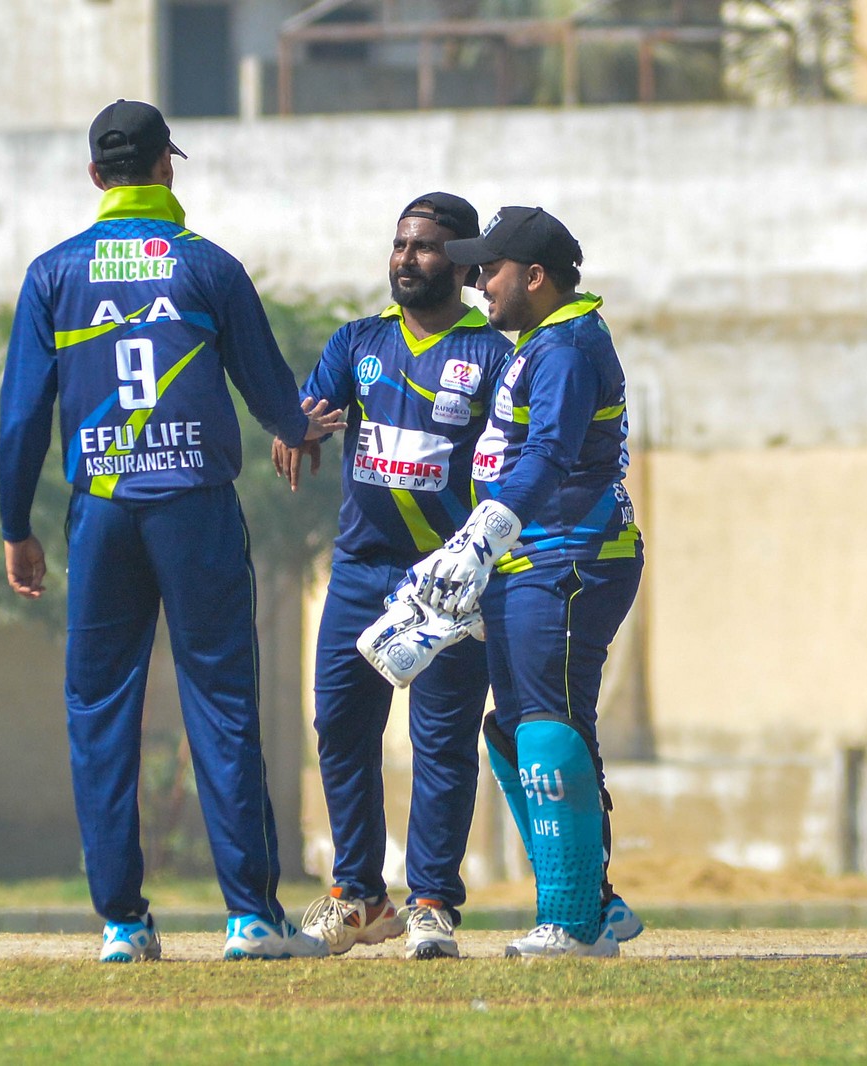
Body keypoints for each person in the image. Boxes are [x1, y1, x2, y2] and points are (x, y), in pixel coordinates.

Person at [0, 99, 343, 963]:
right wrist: (298, 426)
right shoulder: (208, 267)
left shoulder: (52, 275)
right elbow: (270, 389)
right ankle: (251, 918)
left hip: (102, 513)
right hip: (195, 509)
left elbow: (22, 419)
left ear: (94, 175)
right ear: (166, 167)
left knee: (99, 709)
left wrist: (15, 525)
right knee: (220, 700)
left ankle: (122, 923)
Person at [272, 193, 511, 959]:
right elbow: (310, 406)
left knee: (440, 740)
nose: (407, 258)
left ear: (463, 262)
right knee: (341, 726)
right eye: (401, 244)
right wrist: (297, 427)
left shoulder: (494, 355)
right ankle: (359, 896)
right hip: (360, 569)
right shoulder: (359, 341)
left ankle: (432, 902)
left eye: (426, 246)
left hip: (447, 580)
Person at [411, 206, 645, 958]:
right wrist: (479, 553)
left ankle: (571, 922)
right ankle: (596, 907)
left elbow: (548, 452)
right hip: (531, 559)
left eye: (490, 270)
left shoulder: (567, 349)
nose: (477, 283)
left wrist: (482, 536)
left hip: (570, 558)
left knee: (548, 726)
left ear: (534, 276)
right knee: (516, 732)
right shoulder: (544, 341)